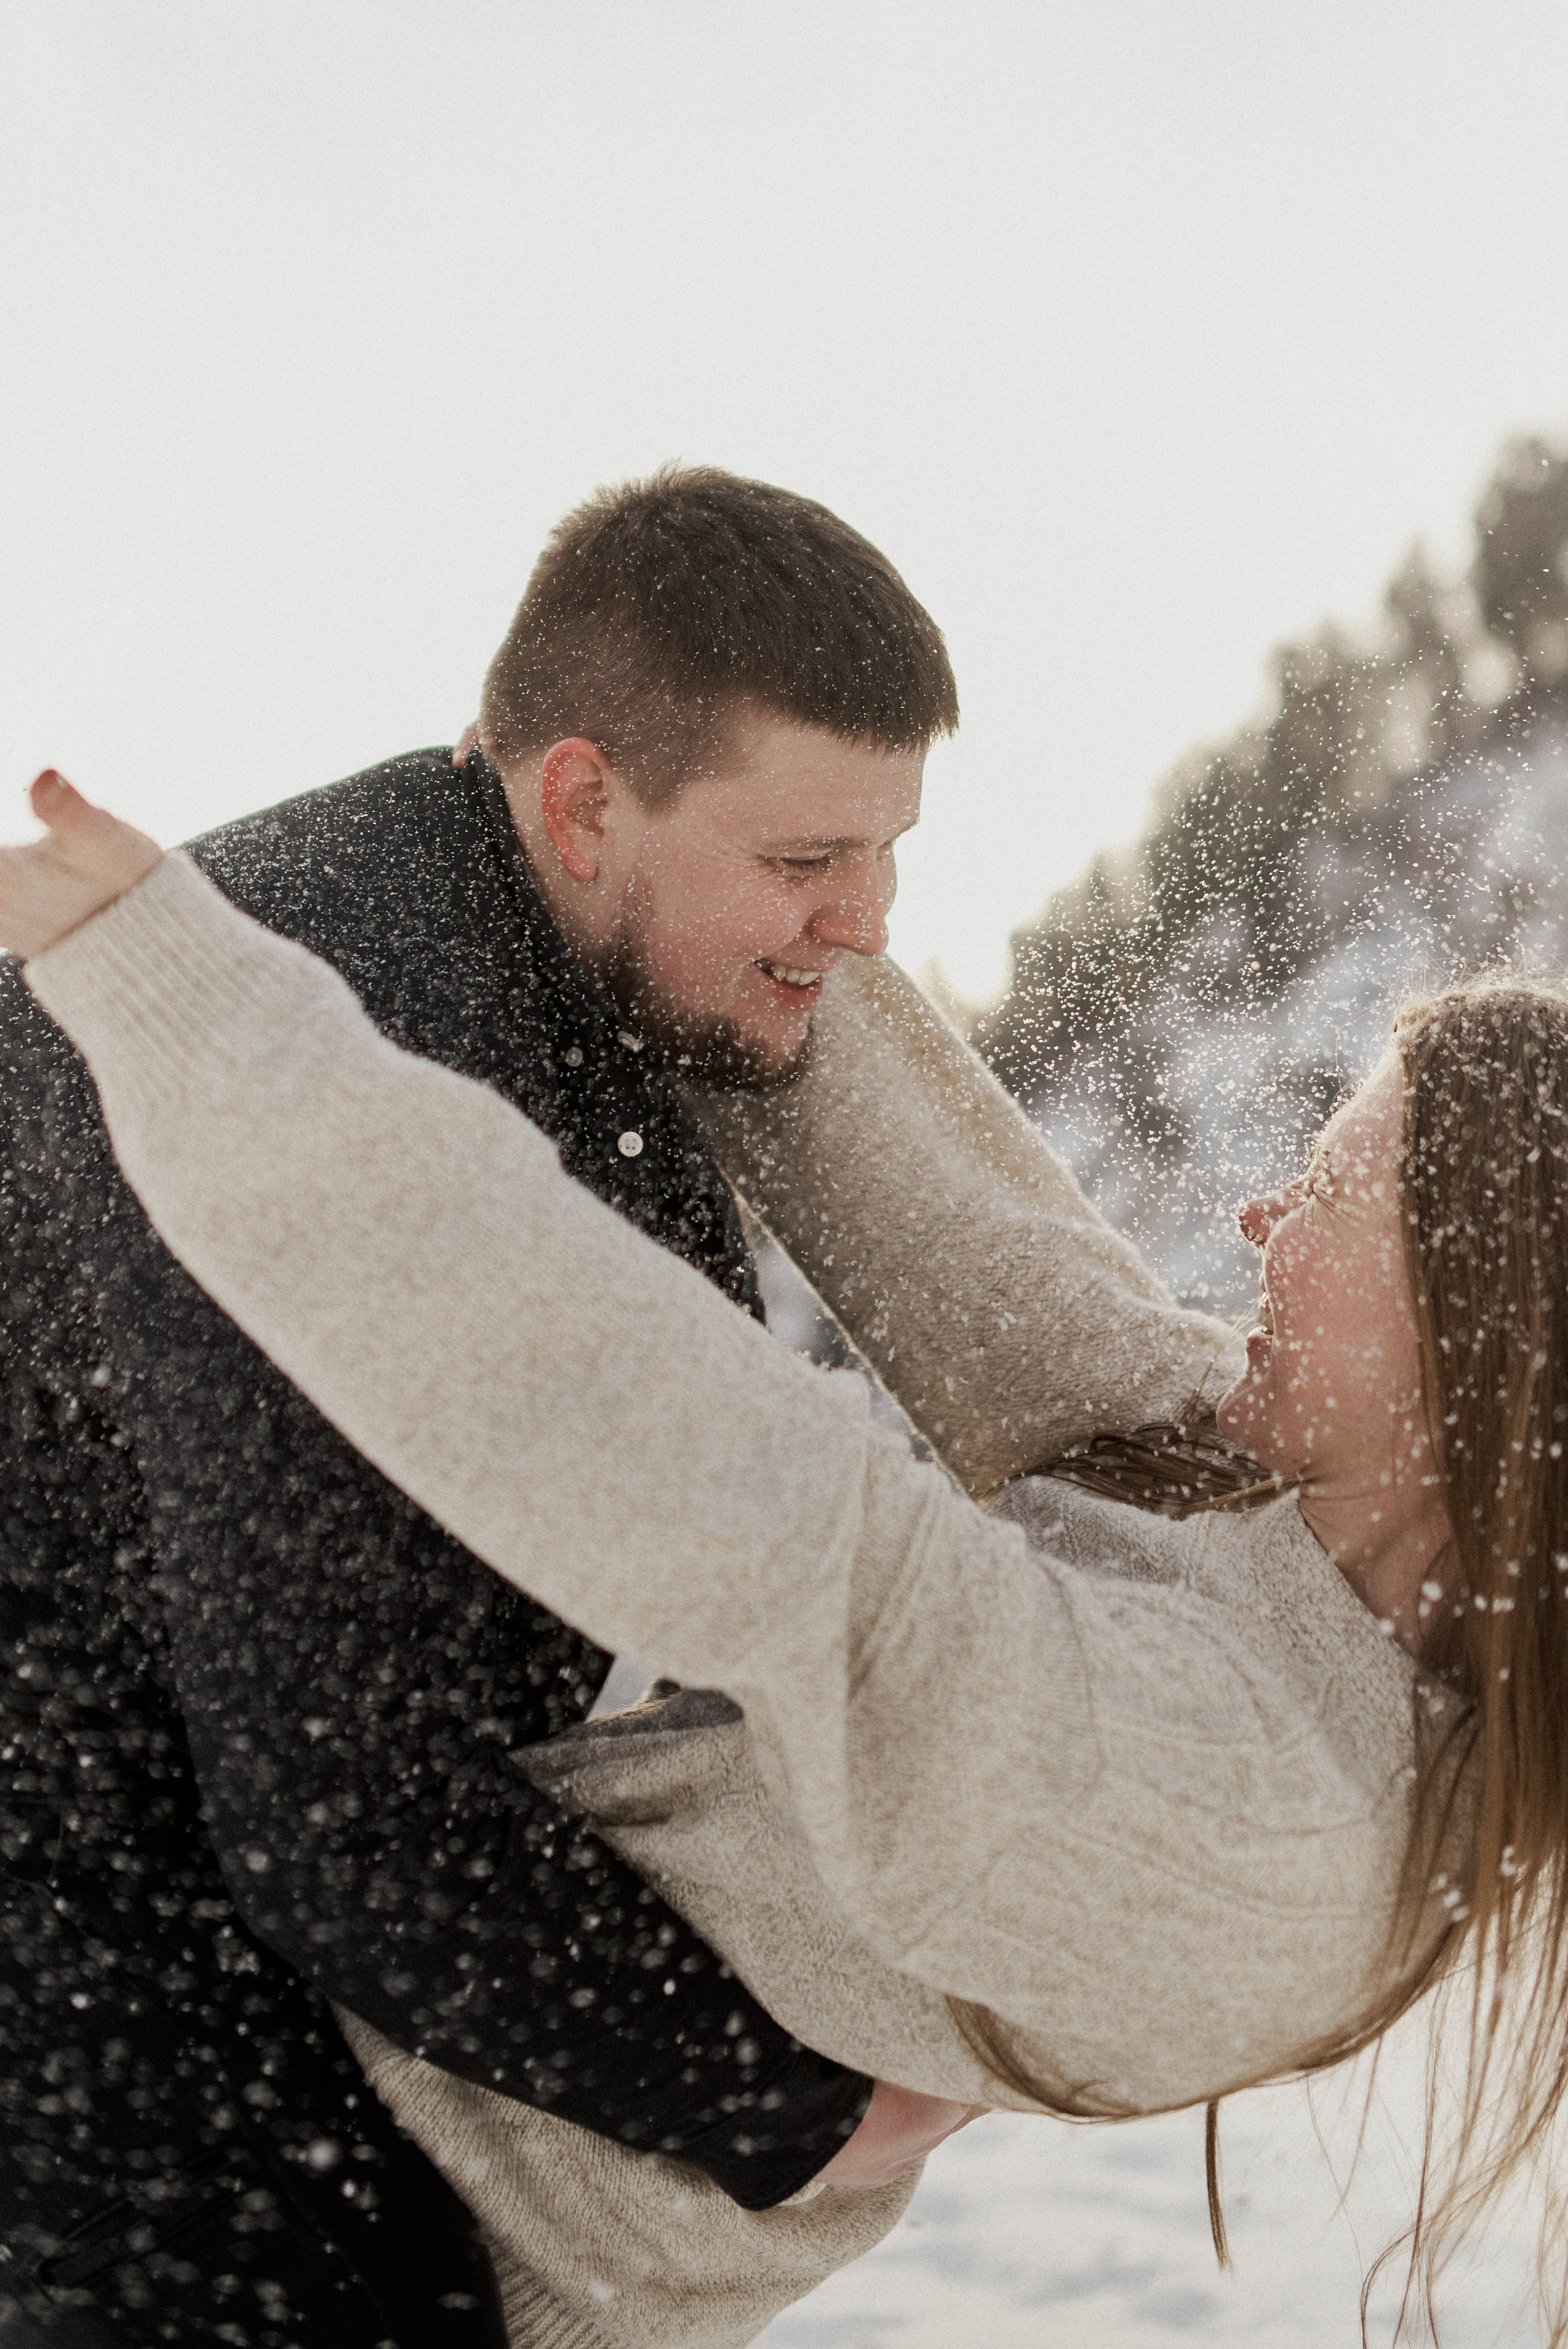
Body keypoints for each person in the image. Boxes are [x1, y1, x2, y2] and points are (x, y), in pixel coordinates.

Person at [12, 775, 1564, 2345]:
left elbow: (713, 1459)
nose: (1256, 1217)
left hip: (325, 2240)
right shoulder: (1285, 1517)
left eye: (1329, 1189)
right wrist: (679, 821)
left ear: (1467, 1337)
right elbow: (966, 1239)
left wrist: (180, 995)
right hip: (264, 2034)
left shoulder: (1238, 1812)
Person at [0, 469, 969, 2346]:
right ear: (586, 799)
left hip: (177, 1886)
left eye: (887, 852)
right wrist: (787, 2105)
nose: (862, 923)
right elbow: (338, 1796)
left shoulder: (548, 980)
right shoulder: (336, 1038)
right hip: (89, 1927)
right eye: (801, 863)